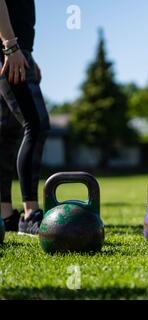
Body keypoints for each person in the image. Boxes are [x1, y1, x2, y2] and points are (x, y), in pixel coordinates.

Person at [0, 0, 50, 235]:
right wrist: (10, 46)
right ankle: (30, 215)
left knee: (8, 131)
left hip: (15, 51)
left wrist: (27, 55)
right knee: (36, 124)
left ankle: (6, 215)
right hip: (7, 52)